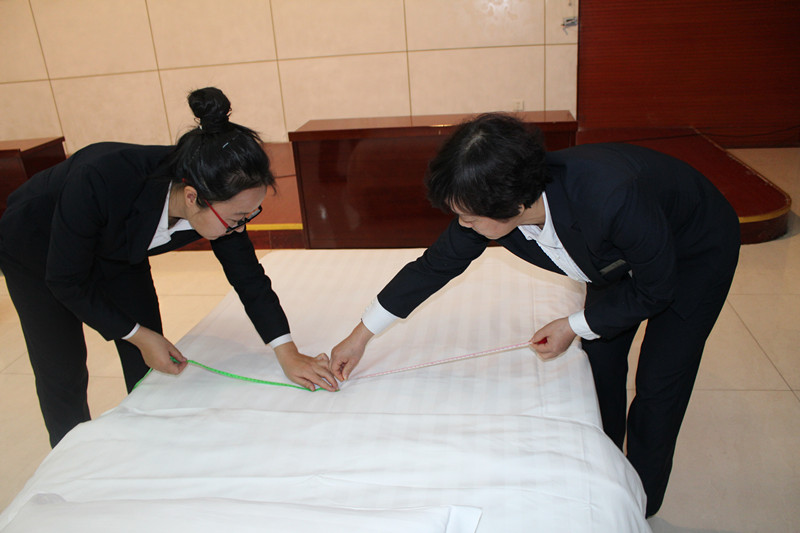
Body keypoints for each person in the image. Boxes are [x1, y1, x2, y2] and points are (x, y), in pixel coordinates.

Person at [329, 113, 740, 517]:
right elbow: (432, 267)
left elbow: (657, 289)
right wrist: (359, 336)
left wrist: (573, 325)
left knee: (659, 382)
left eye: (469, 217)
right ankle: (608, 464)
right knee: (602, 359)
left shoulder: (609, 197)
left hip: (694, 251)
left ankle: (642, 501)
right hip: (613, 255)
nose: (462, 224)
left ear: (516, 204)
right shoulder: (496, 204)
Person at [0, 87, 338, 447]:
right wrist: (136, 333)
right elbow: (65, 280)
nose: (241, 227)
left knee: (148, 355)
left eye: (249, 215)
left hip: (120, 248)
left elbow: (249, 278)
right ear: (192, 198)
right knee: (62, 366)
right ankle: (69, 456)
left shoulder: (217, 193)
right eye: (237, 218)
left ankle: (148, 440)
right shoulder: (100, 178)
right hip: (36, 246)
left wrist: (287, 352)